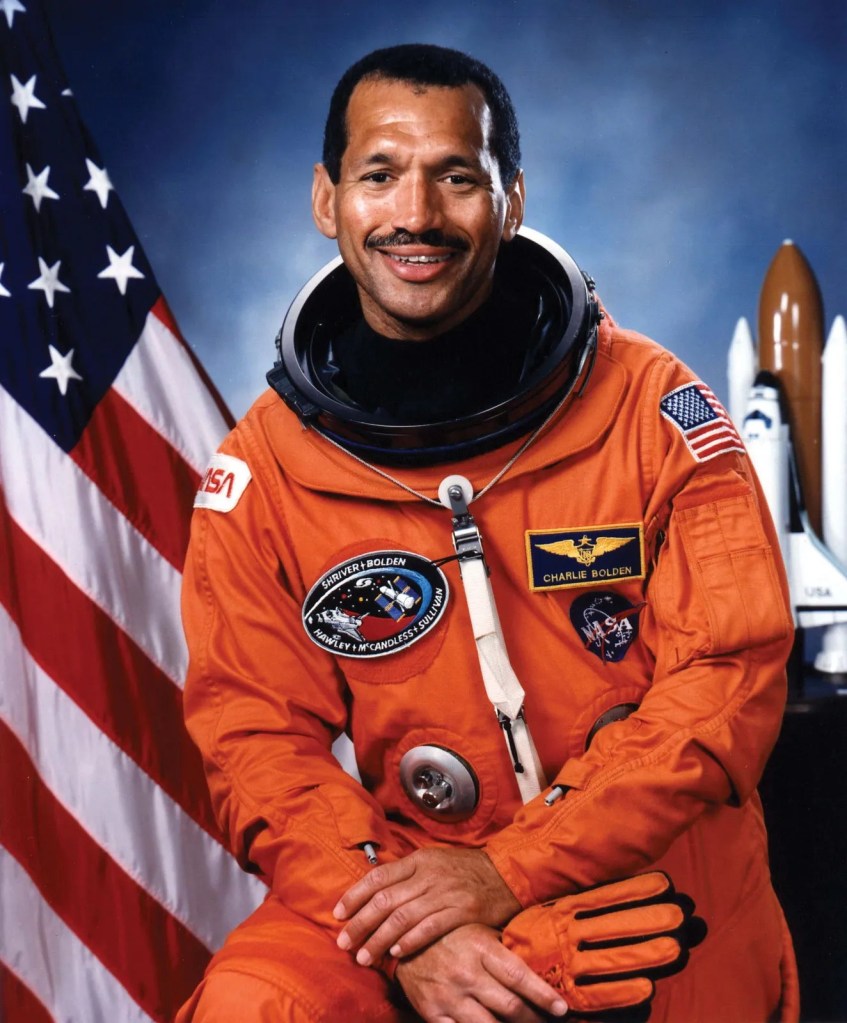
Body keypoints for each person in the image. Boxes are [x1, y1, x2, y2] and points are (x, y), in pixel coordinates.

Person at [176, 44, 799, 1023]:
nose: (414, 215)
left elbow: (724, 679)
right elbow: (258, 743)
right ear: (325, 198)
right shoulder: (265, 470)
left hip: (650, 865)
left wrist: (509, 871)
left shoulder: (648, 409)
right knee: (258, 1006)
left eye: (454, 177)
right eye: (379, 174)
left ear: (508, 201)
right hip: (402, 874)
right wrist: (402, 923)